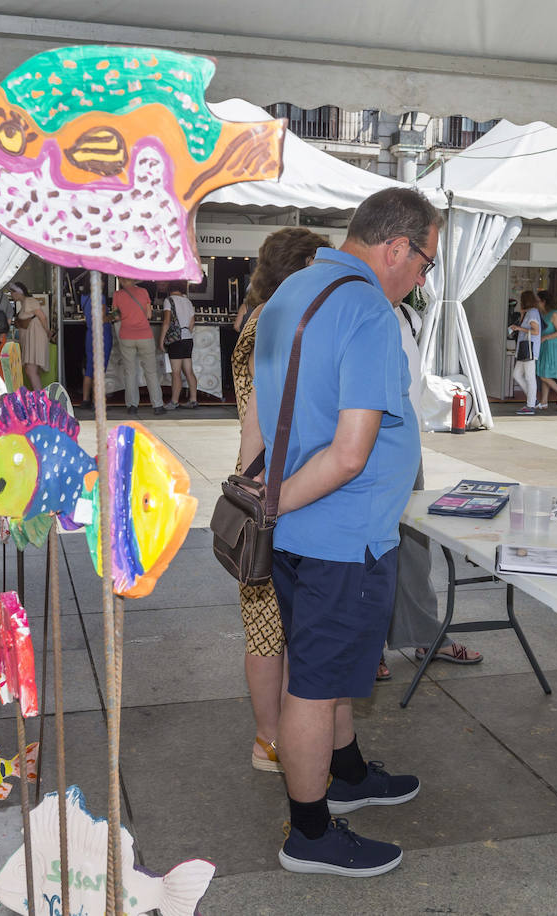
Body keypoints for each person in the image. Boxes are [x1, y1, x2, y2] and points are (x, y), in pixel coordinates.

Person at [242, 187, 441, 877]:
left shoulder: (292, 291)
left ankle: (348, 774)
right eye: (424, 264)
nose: (422, 279)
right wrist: (277, 506)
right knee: (314, 685)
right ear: (396, 247)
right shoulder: (367, 310)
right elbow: (350, 452)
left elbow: (266, 419)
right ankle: (309, 833)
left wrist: (271, 503)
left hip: (306, 534)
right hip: (339, 533)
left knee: (322, 669)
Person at [230, 226, 328, 776]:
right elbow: (259, 418)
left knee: (265, 625)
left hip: (257, 478)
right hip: (271, 485)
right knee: (270, 628)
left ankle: (273, 737)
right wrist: (262, 490)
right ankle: (271, 739)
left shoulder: (255, 313)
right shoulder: (280, 319)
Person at [382, 292, 483, 676]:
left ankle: (426, 635)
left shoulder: (409, 316)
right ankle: (369, 646)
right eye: (422, 264)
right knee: (368, 553)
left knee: (413, 546)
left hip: (405, 444)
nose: (424, 279)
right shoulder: (356, 306)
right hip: (366, 444)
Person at [112, 276, 164, 416]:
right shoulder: (144, 292)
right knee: (151, 372)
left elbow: (116, 317)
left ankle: (132, 406)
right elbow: (149, 314)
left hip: (126, 336)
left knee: (130, 372)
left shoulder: (117, 295)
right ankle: (157, 405)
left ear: (121, 280)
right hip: (145, 336)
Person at [160, 283, 199, 409]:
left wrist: (161, 340)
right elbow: (192, 322)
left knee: (175, 373)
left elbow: (166, 322)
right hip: (188, 338)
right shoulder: (187, 301)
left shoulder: (168, 300)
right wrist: (186, 333)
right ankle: (193, 400)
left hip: (175, 340)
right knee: (189, 371)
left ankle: (174, 401)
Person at [6, 281, 50, 391]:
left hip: (35, 337)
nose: (11, 295)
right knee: (31, 369)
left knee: (30, 369)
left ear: (18, 292)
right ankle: (39, 397)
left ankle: (39, 398)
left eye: (12, 292)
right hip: (31, 338)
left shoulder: (30, 301)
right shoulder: (25, 302)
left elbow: (42, 317)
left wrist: (47, 331)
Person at [79, 289, 114, 414]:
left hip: (90, 333)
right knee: (100, 369)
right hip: (102, 334)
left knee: (90, 367)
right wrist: (113, 315)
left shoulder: (84, 296)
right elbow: (102, 317)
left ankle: (85, 400)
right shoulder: (100, 296)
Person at [508, 290, 542, 415]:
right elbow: (526, 326)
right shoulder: (529, 312)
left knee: (529, 377)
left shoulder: (532, 313)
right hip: (525, 349)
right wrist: (522, 315)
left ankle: (530, 405)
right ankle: (533, 400)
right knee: (517, 374)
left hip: (529, 349)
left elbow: (535, 331)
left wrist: (518, 328)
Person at [533, 289, 557, 409]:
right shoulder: (541, 313)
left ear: (544, 301)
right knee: (543, 372)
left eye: (538, 301)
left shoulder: (554, 314)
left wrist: (546, 337)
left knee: (544, 375)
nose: (536, 303)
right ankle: (544, 401)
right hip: (544, 345)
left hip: (551, 345)